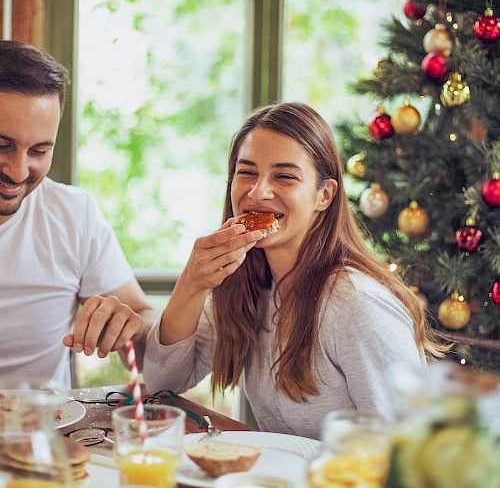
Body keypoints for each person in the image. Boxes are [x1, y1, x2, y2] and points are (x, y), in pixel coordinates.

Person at [143, 102, 445, 439]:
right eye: (246, 172)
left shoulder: (356, 305)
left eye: (284, 176)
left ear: (324, 196)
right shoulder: (251, 286)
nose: (258, 192)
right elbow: (163, 383)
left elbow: (409, 452)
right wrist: (192, 284)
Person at [0, 40, 156, 388]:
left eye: (39, 150)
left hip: (43, 437)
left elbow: (143, 326)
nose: (18, 170)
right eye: (1, 146)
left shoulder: (73, 214)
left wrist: (130, 324)